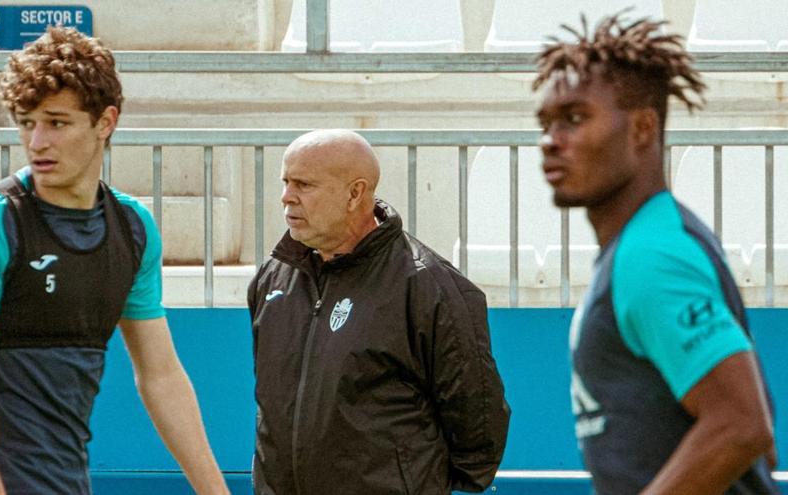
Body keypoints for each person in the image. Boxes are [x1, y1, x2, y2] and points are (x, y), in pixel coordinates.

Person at [0, 26, 229, 494]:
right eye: (27, 122)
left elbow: (161, 375)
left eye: (57, 122)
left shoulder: (132, 229)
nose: (37, 142)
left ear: (105, 122)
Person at [534, 13, 778, 494]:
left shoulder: (653, 255)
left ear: (643, 129)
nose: (549, 141)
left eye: (575, 119)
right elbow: (758, 430)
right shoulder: (652, 242)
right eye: (546, 123)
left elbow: (744, 425)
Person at [247, 129, 510, 494]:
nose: (286, 197)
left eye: (303, 185)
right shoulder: (273, 278)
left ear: (355, 193)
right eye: (285, 182)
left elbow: (476, 420)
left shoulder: (427, 285)